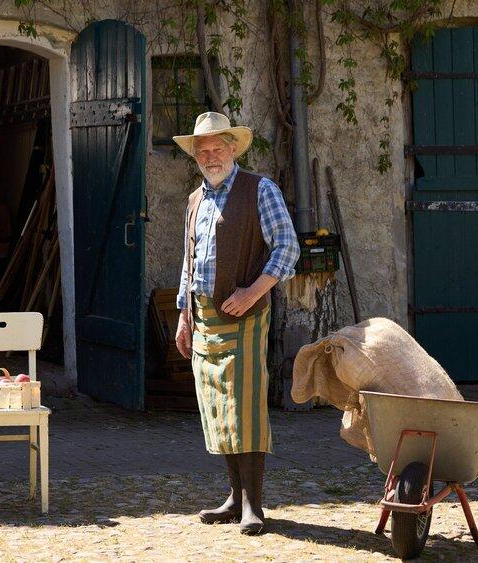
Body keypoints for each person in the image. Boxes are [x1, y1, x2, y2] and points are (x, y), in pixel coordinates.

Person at [173, 112, 298, 535]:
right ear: (196, 156)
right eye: (202, 150)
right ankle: (232, 497)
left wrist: (252, 292)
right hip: (203, 318)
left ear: (232, 149)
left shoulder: (260, 189)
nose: (210, 156)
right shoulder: (195, 199)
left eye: (217, 148)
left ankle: (253, 506)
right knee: (216, 408)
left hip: (245, 315)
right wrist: (184, 316)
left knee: (244, 408)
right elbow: (189, 263)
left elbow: (287, 247)